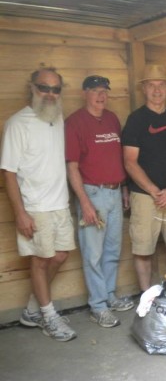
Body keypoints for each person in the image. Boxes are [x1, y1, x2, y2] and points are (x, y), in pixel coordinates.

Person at [0, 67, 77, 341]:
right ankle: (48, 316)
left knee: (60, 255)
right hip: (35, 206)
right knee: (41, 260)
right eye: (44, 87)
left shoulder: (59, 119)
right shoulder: (17, 123)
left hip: (60, 203)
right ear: (32, 88)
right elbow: (8, 173)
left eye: (56, 89)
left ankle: (32, 310)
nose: (50, 94)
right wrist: (20, 213)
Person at [65, 75, 134, 328]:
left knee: (112, 250)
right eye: (95, 91)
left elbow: (117, 158)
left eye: (104, 90)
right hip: (91, 193)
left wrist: (124, 187)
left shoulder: (113, 118)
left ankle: (109, 294)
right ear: (85, 93)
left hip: (115, 192)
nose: (101, 95)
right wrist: (84, 202)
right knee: (92, 254)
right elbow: (72, 167)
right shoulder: (74, 123)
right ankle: (98, 306)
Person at [122, 64, 166, 292]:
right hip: (144, 196)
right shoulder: (135, 120)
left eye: (161, 85)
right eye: (151, 85)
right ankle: (147, 297)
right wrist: (154, 191)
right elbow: (130, 161)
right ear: (144, 89)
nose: (156, 90)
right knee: (143, 249)